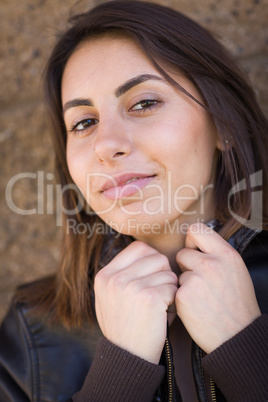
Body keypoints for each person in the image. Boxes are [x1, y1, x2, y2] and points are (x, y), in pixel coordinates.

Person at [0, 1, 267, 401]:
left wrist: (247, 353)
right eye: (84, 123)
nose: (106, 145)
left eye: (144, 103)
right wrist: (119, 374)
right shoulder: (33, 333)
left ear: (223, 124)